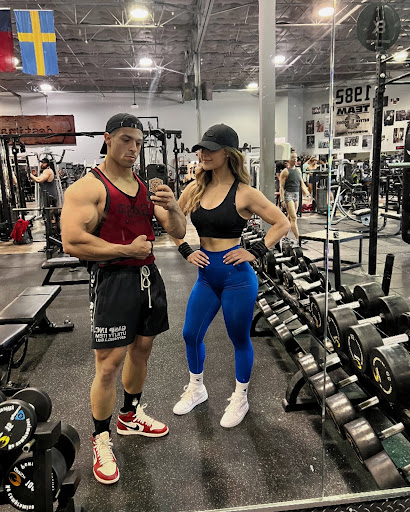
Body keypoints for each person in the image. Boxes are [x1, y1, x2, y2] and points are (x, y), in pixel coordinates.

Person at [61, 113, 186, 485]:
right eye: (126, 140)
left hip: (148, 278)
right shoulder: (89, 187)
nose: (133, 148)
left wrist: (174, 206)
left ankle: (129, 416)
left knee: (142, 349)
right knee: (109, 364)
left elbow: (178, 231)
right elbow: (72, 241)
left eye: (138, 142)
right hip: (112, 279)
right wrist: (125, 250)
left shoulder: (145, 187)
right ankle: (101, 438)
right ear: (108, 139)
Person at [171, 124, 289, 428]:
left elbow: (282, 223)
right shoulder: (194, 189)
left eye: (211, 149)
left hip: (237, 277)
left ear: (228, 154)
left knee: (238, 338)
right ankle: (196, 388)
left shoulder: (245, 193)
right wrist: (185, 249)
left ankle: (241, 397)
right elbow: (173, 223)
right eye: (201, 149)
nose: (203, 154)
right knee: (190, 333)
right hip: (206, 276)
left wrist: (256, 251)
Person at [279, 152, 310, 243]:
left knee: (289, 217)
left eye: (296, 157)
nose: (295, 159)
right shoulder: (285, 172)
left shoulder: (298, 170)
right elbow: (281, 187)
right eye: (293, 157)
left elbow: (302, 183)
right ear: (289, 159)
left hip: (296, 195)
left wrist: (307, 193)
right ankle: (298, 238)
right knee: (294, 218)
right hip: (288, 195)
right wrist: (282, 199)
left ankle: (284, 236)